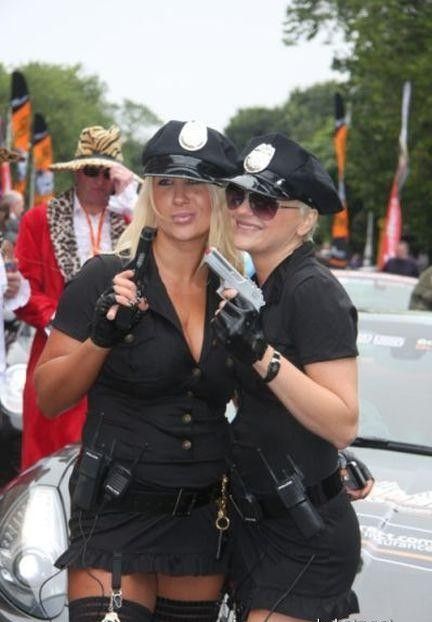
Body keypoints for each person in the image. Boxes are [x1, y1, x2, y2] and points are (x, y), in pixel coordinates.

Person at [34, 120, 242, 622]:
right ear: (150, 193)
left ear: (219, 196)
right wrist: (101, 339)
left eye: (196, 183)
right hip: (115, 514)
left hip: (201, 518)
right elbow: (49, 397)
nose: (179, 197)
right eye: (165, 182)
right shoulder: (106, 277)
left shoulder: (234, 292)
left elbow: (259, 403)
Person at [213, 133, 361, 622]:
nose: (243, 210)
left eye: (264, 202)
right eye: (237, 195)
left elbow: (343, 422)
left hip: (305, 535)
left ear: (305, 221)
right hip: (255, 523)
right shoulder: (260, 287)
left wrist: (260, 353)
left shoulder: (312, 289)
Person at [14, 125, 137, 470]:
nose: (100, 181)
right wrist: (63, 322)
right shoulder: (38, 219)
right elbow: (23, 290)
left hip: (118, 357)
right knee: (50, 457)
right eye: (92, 171)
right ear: (77, 173)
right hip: (57, 350)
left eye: (108, 173)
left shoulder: (132, 223)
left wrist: (131, 199)